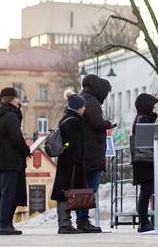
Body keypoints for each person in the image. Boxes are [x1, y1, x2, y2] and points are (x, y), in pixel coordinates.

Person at [0, 87, 30, 235]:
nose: (19, 100)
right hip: (10, 161)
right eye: (17, 98)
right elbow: (17, 139)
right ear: (13, 99)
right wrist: (26, 150)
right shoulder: (10, 116)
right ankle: (4, 224)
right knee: (8, 194)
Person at [78, 74, 116, 233]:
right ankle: (83, 221)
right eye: (106, 93)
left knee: (83, 187)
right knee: (90, 188)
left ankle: (82, 220)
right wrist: (109, 124)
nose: (106, 97)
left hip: (84, 151)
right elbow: (97, 123)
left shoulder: (81, 98)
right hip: (92, 152)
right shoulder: (91, 101)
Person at [51, 91, 87, 234]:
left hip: (65, 161)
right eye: (83, 106)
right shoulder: (74, 121)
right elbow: (73, 144)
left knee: (63, 191)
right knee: (67, 192)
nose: (85, 109)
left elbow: (67, 143)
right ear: (78, 107)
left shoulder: (66, 119)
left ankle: (65, 223)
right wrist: (78, 160)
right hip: (71, 163)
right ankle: (65, 224)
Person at [131, 92, 158, 233]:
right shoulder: (143, 119)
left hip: (143, 161)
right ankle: (144, 222)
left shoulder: (140, 118)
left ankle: (144, 221)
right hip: (146, 161)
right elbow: (149, 139)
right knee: (146, 191)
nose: (154, 108)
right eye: (152, 106)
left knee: (146, 191)